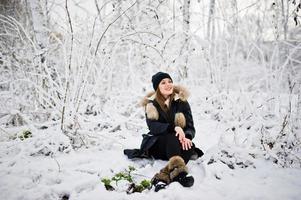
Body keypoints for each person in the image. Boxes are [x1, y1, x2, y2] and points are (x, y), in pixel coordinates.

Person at [124, 72, 203, 191]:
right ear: (157, 87)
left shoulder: (181, 102)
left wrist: (187, 137)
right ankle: (180, 174)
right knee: (172, 136)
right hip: (158, 144)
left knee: (188, 147)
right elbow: (153, 126)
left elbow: (190, 126)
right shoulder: (151, 104)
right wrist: (174, 128)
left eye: (170, 81)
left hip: (177, 143)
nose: (168, 85)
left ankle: (161, 178)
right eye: (163, 83)